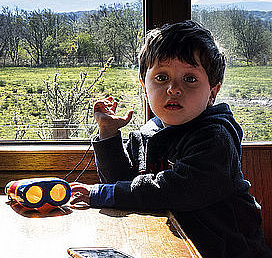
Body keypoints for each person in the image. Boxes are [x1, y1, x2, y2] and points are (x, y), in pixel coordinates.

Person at [70, 20, 271, 258]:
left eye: (190, 79)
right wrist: (109, 135)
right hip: (167, 247)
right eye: (162, 78)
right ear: (145, 87)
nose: (173, 89)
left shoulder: (215, 137)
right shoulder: (147, 134)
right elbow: (120, 183)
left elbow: (179, 189)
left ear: (212, 93)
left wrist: (103, 193)